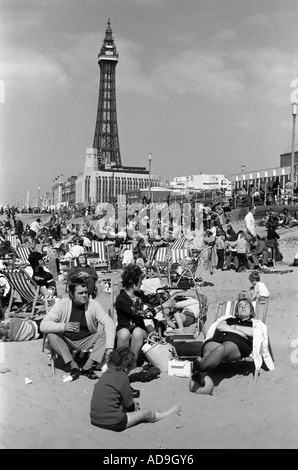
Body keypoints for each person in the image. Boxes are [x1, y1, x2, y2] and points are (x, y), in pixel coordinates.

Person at [189, 297, 274, 394]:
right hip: (217, 339)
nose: (243, 307)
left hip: (237, 344)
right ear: (236, 310)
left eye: (246, 306)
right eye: (240, 306)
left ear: (251, 310)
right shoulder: (228, 319)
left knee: (221, 349)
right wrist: (236, 330)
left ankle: (199, 369)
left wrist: (233, 327)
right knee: (208, 351)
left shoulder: (255, 323)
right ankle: (199, 374)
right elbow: (220, 326)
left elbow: (254, 333)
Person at [40, 277, 116, 381]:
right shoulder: (62, 305)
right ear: (71, 294)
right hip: (67, 341)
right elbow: (43, 325)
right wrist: (64, 326)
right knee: (51, 335)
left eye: (86, 292)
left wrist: (110, 348)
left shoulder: (93, 304)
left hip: (88, 340)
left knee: (105, 332)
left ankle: (87, 366)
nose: (85, 295)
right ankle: (73, 365)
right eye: (80, 293)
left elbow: (109, 323)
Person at [90, 347, 181, 432]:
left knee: (130, 404)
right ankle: (165, 414)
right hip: (114, 423)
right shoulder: (122, 377)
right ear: (127, 366)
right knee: (146, 412)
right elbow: (128, 404)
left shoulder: (106, 374)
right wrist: (134, 406)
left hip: (94, 419)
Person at [115, 264, 148, 363]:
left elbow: (154, 300)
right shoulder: (122, 299)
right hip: (124, 329)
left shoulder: (140, 295)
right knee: (124, 333)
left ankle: (132, 363)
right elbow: (139, 313)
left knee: (137, 332)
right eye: (139, 281)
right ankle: (121, 363)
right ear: (132, 282)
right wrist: (159, 308)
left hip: (139, 330)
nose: (141, 283)